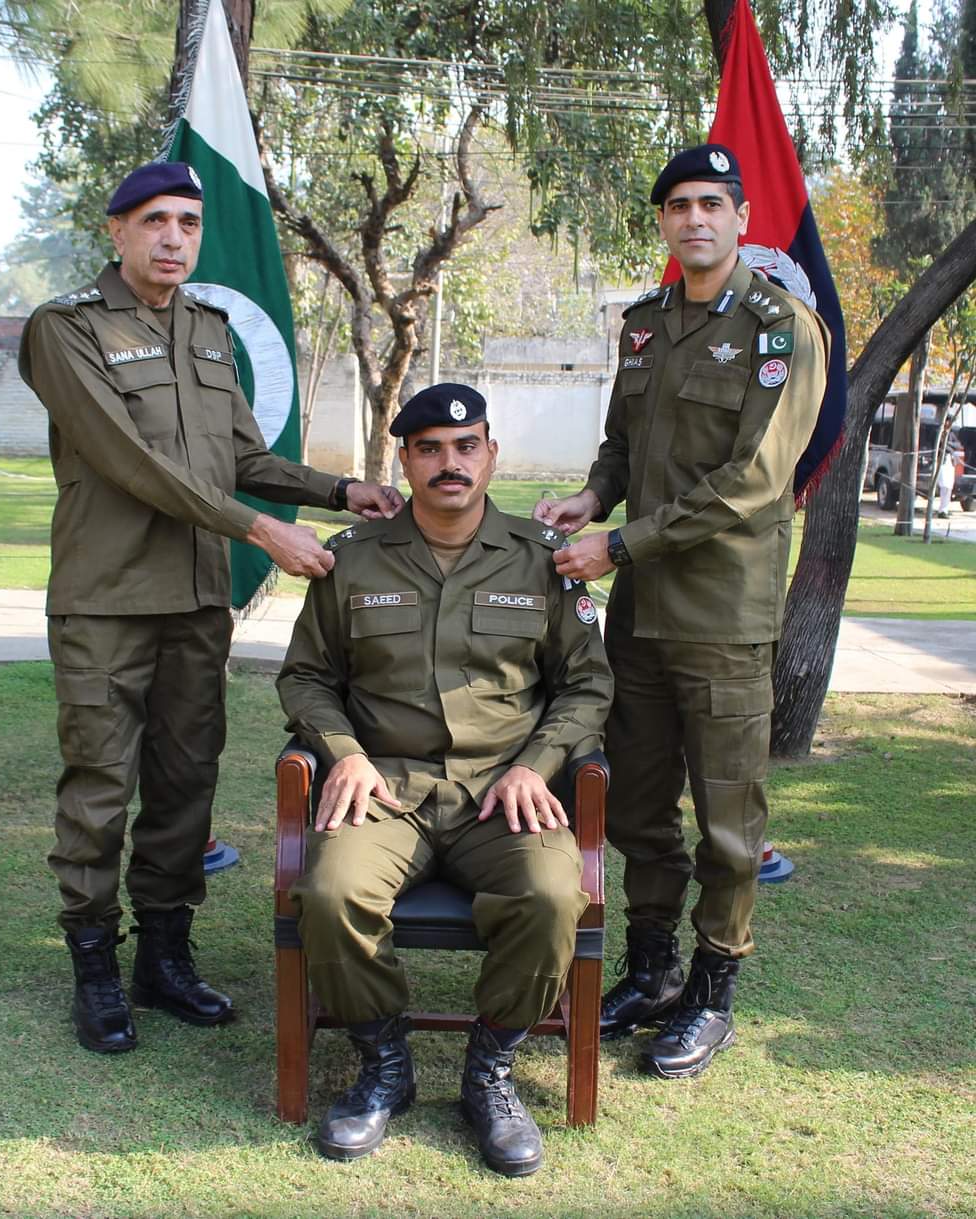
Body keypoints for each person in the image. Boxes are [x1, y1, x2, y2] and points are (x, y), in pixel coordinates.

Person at [18, 160, 404, 1056]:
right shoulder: (65, 328)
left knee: (186, 783)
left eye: (188, 223)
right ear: (117, 230)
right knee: (100, 786)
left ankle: (164, 955)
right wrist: (261, 530)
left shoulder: (204, 327)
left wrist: (340, 490)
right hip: (107, 602)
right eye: (155, 220)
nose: (174, 239)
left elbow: (241, 455)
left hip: (195, 600)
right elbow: (131, 461)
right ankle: (95, 965)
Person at [534, 145, 829, 1079]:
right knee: (638, 804)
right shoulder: (645, 325)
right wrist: (591, 499)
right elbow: (623, 444)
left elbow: (755, 480)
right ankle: (653, 968)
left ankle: (712, 991)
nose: (694, 218)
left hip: (722, 616)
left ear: (741, 218)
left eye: (711, 203)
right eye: (678, 206)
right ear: (662, 222)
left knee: (729, 820)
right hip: (641, 617)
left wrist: (619, 544)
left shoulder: (779, 328)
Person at [277, 383, 613, 1175]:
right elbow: (306, 677)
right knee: (330, 893)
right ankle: (384, 1062)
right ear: (405, 460)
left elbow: (587, 686)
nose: (449, 463)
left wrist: (536, 765)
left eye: (466, 447)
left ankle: (490, 1067)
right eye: (429, 449)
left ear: (490, 453)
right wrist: (344, 752)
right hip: (385, 788)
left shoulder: (545, 559)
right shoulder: (353, 559)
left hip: (504, 793)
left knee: (551, 895)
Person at [935, 445, 961, 518]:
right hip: (944, 465)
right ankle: (942, 511)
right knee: (945, 488)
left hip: (948, 465)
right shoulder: (944, 446)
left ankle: (944, 510)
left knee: (948, 489)